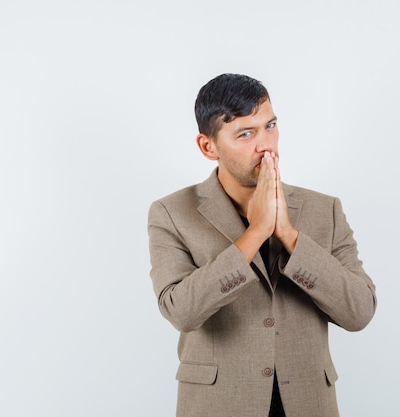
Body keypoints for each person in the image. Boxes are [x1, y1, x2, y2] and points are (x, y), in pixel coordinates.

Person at [147, 73, 377, 417]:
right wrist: (255, 233)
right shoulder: (171, 212)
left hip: (308, 403)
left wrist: (290, 236)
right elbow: (181, 311)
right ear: (208, 147)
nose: (266, 144)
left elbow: (359, 312)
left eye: (270, 126)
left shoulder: (324, 209)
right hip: (218, 405)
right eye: (246, 133)